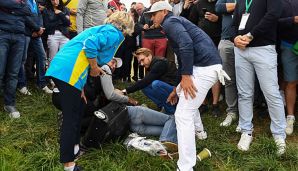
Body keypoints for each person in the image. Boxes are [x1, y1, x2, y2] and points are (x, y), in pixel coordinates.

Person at [45, 11, 134, 171]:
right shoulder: (113, 32)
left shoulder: (104, 29)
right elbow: (90, 45)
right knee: (71, 119)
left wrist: (81, 87)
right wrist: (94, 67)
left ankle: (74, 148)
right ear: (125, 26)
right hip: (68, 71)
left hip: (68, 70)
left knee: (79, 107)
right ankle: (69, 165)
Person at [144, 1, 228, 170]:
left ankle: (186, 166)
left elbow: (186, 44)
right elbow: (182, 56)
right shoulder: (172, 23)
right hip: (203, 66)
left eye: (153, 14)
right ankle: (200, 132)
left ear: (163, 12)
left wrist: (186, 76)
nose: (151, 18)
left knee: (183, 115)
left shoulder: (170, 22)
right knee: (185, 97)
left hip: (205, 67)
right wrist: (177, 87)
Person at [232, 0, 286, 155]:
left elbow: (273, 14)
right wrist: (235, 38)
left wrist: (250, 35)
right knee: (244, 93)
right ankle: (246, 131)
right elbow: (234, 23)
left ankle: (279, 134)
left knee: (271, 93)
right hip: (241, 50)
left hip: (263, 49)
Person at [0, 0, 32, 118]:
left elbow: (29, 10)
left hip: (19, 36)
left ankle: (9, 103)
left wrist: (12, 9)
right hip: (2, 33)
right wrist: (19, 7)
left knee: (13, 73)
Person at [122, 48, 178, 115]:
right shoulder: (153, 64)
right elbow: (144, 83)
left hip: (177, 91)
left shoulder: (160, 63)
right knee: (144, 87)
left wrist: (126, 91)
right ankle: (163, 106)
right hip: (170, 90)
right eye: (140, 62)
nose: (142, 64)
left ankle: (171, 111)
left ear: (149, 55)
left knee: (156, 84)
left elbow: (146, 81)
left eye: (142, 60)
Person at [215, 0, 238, 126]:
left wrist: (230, 8)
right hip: (226, 42)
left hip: (245, 42)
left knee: (246, 80)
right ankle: (232, 112)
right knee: (229, 79)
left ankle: (247, 112)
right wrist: (239, 5)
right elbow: (218, 7)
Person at [278, 0, 298, 135]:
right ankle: (290, 117)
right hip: (289, 45)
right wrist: (292, 19)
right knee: (291, 81)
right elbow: (273, 22)